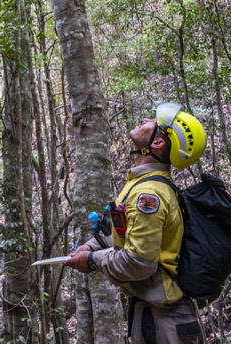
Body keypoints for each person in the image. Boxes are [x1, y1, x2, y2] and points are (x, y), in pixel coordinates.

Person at [67, 102, 206, 344]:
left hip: (164, 323)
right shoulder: (141, 184)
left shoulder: (149, 195)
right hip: (154, 317)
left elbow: (139, 263)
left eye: (154, 122)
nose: (145, 120)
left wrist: (92, 261)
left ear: (158, 143)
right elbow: (123, 232)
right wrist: (91, 246)